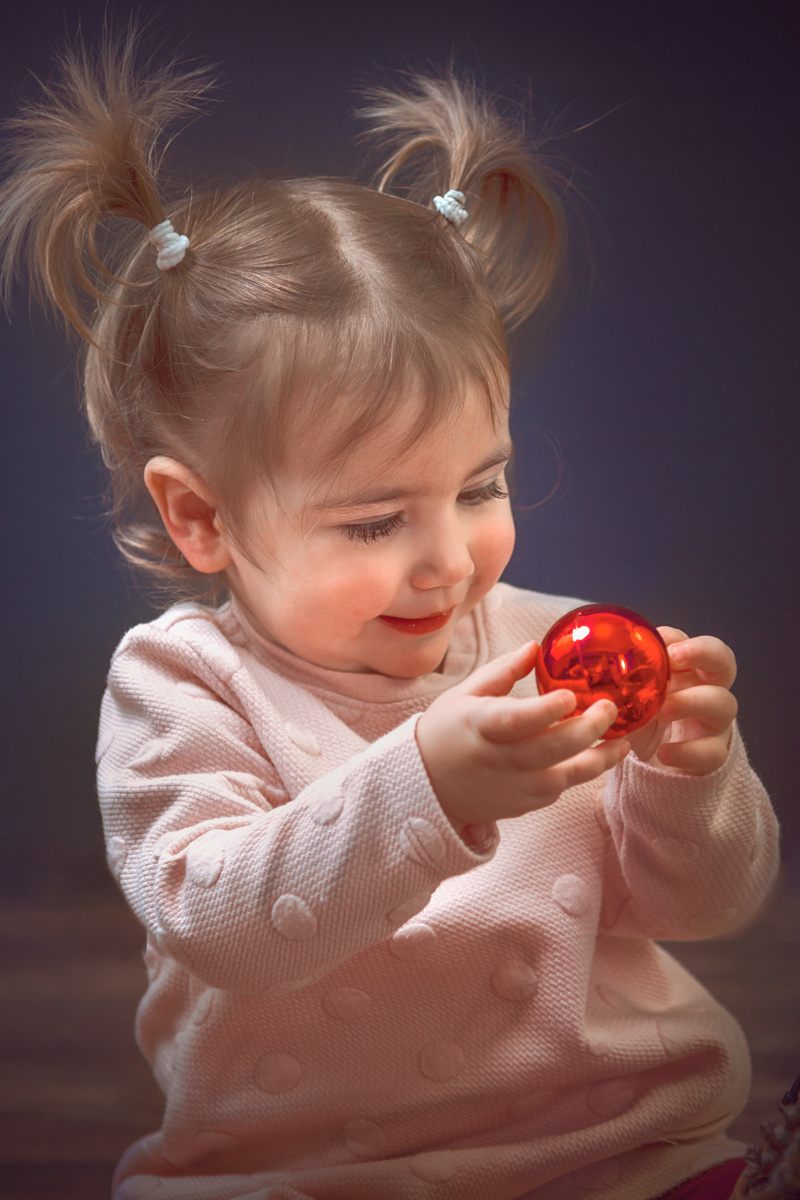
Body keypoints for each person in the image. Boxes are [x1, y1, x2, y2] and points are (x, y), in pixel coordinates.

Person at [0, 30, 780, 1200]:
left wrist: (686, 778)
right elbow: (222, 921)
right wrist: (431, 788)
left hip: (621, 1151)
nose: (444, 563)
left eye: (478, 488)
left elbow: (710, 907)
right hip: (301, 1173)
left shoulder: (549, 649)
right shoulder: (181, 687)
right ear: (201, 520)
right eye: (372, 523)